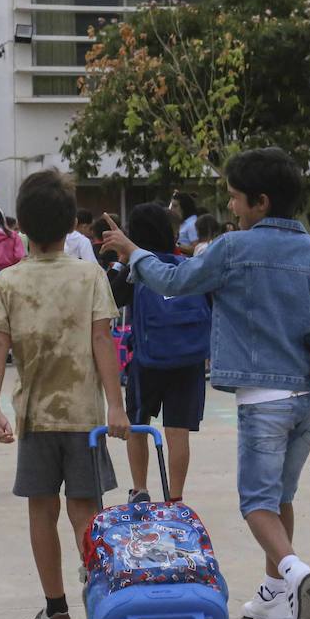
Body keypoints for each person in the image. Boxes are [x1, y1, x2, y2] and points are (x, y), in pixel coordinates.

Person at [102, 147, 310, 619]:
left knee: (256, 503)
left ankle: (297, 574)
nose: (230, 208)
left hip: (263, 398)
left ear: (259, 201)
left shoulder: (233, 249)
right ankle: (275, 594)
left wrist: (134, 252)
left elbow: (173, 281)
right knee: (280, 498)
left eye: (235, 199)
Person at [0, 169, 128, 619]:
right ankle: (99, 596)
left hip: (35, 417)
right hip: (84, 418)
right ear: (70, 228)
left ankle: (56, 613)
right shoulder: (90, 276)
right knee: (85, 510)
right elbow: (104, 340)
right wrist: (116, 408)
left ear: (21, 226)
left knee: (41, 510)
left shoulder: (8, 282)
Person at [107, 203, 208, 504]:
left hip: (146, 361)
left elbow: (109, 298)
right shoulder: (187, 267)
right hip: (188, 361)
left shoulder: (137, 269)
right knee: (178, 431)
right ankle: (175, 497)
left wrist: (121, 260)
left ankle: (140, 489)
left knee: (138, 425)